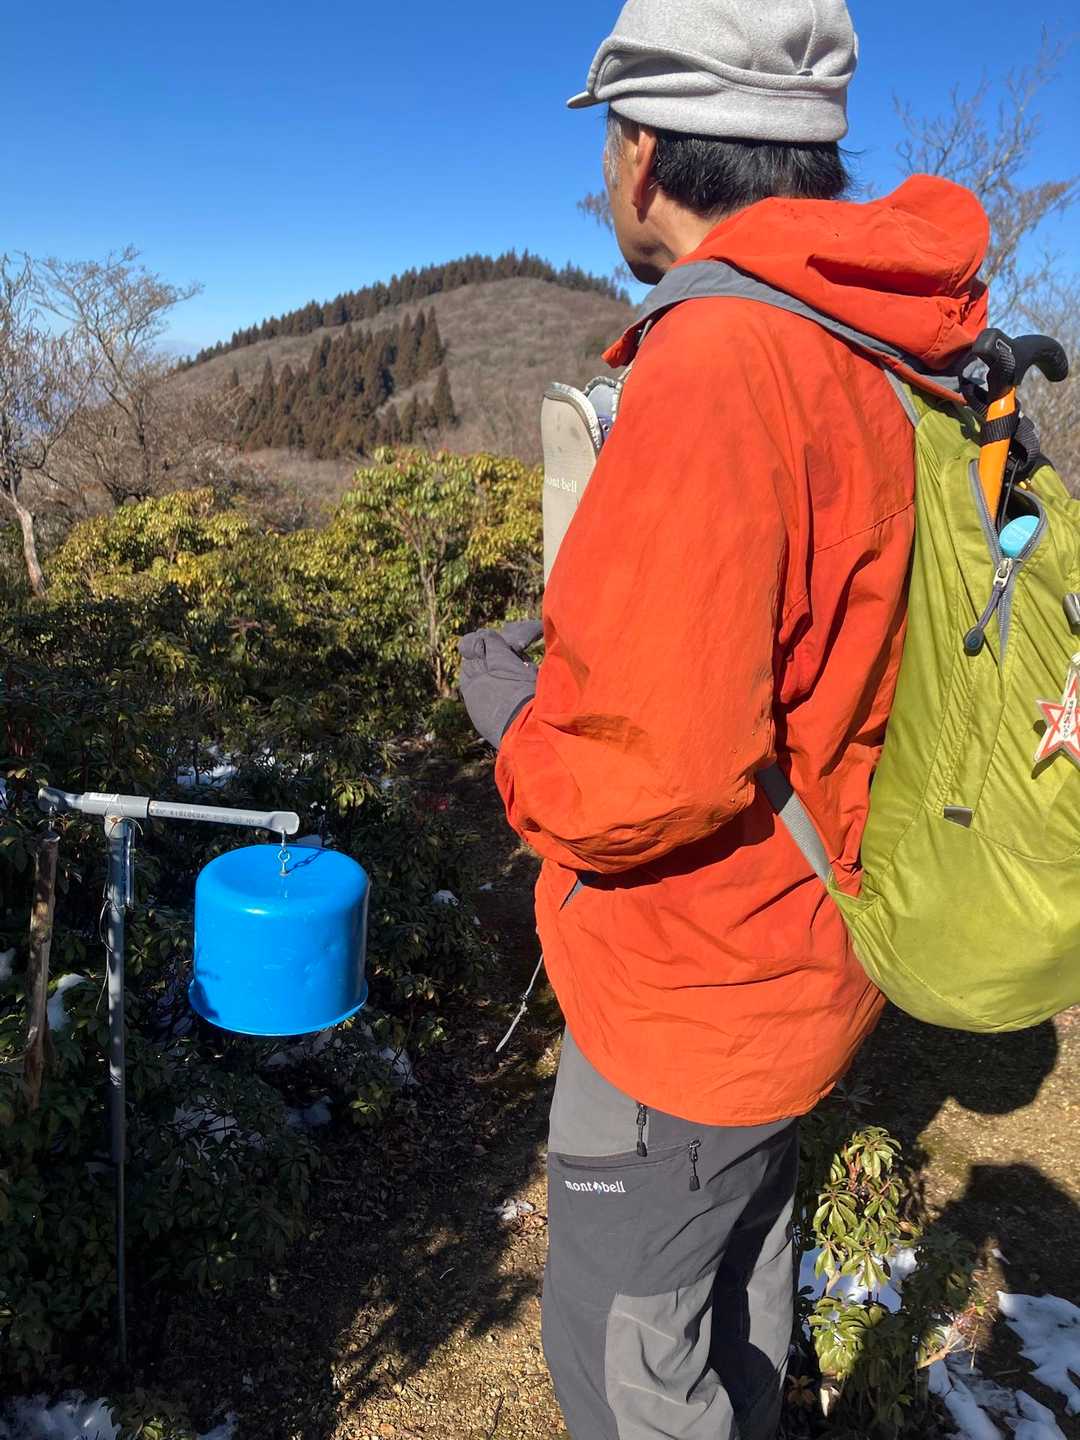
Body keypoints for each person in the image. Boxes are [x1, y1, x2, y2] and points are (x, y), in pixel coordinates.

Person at [458, 2, 990, 1435]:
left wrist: (514, 720)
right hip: (815, 948)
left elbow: (644, 777)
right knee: (740, 1287)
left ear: (641, 153)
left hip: (690, 992)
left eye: (608, 146)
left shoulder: (719, 359)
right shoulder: (885, 335)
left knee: (630, 1368)